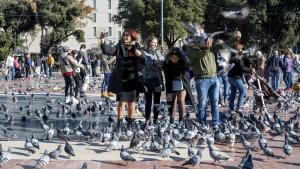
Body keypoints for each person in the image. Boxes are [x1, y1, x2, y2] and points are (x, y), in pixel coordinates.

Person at [100, 29, 146, 130]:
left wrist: (140, 54)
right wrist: (103, 41)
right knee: (121, 102)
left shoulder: (137, 47)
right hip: (122, 78)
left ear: (132, 37)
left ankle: (130, 122)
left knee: (132, 103)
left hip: (133, 79)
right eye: (124, 35)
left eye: (127, 35)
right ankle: (119, 123)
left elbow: (144, 60)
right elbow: (108, 50)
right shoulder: (119, 47)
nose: (125, 37)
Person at [164, 48, 191, 124]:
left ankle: (181, 120)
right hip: (170, 84)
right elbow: (166, 74)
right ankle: (172, 120)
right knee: (172, 102)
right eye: (172, 58)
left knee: (181, 101)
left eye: (176, 58)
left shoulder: (183, 63)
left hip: (181, 83)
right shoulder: (167, 63)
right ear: (170, 57)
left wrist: (181, 53)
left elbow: (188, 62)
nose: (174, 59)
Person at [143, 36, 165, 124]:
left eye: (156, 43)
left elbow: (163, 62)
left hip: (158, 80)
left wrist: (161, 64)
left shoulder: (158, 52)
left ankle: (155, 120)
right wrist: (153, 62)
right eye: (153, 42)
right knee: (148, 101)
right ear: (149, 42)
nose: (155, 44)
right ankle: (147, 119)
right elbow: (143, 63)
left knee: (157, 101)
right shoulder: (144, 52)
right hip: (148, 79)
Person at [227, 43, 254, 114]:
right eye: (241, 49)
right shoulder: (237, 57)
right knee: (242, 91)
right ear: (238, 49)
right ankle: (238, 108)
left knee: (233, 92)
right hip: (236, 77)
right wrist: (250, 70)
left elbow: (248, 60)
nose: (242, 50)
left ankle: (231, 109)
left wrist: (248, 57)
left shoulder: (233, 56)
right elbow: (242, 67)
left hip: (230, 77)